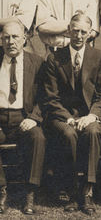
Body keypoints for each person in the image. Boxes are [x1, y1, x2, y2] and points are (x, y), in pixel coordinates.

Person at [40, 12, 101, 214]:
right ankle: (71, 189)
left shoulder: (99, 56)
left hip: (89, 115)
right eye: (75, 31)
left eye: (83, 32)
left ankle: (87, 190)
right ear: (68, 30)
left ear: (90, 34)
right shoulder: (54, 58)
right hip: (62, 115)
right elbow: (51, 97)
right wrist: (68, 118)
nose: (78, 35)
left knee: (93, 132)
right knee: (68, 134)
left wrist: (91, 116)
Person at [0, 21, 46, 215]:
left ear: (25, 38)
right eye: (6, 37)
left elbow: (46, 97)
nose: (11, 42)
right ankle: (1, 190)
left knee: (38, 138)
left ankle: (30, 191)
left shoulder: (37, 62)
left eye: (15, 37)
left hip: (24, 117)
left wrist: (34, 117)